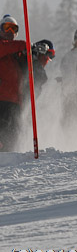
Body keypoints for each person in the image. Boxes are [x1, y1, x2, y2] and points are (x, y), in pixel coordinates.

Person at [0, 14, 54, 151]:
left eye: (14, 29)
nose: (10, 32)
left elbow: (31, 70)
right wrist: (26, 45)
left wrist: (40, 54)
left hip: (16, 102)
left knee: (12, 138)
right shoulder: (7, 47)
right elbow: (5, 47)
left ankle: (9, 165)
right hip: (2, 100)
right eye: (7, 28)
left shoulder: (17, 53)